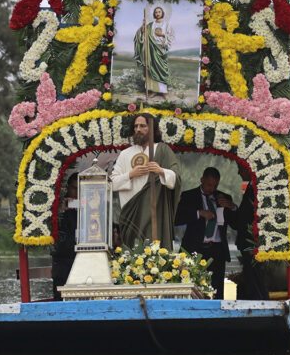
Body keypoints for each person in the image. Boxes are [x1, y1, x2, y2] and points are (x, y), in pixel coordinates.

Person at [111, 114, 181, 249]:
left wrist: (161, 171)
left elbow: (176, 177)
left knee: (155, 252)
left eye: (143, 126)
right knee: (133, 255)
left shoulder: (163, 150)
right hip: (132, 214)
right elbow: (112, 183)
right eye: (136, 126)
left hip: (156, 213)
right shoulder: (125, 154)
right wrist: (130, 175)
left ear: (152, 128)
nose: (138, 129)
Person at [175, 167, 238, 299]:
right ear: (202, 180)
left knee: (217, 289)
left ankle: (218, 315)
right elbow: (177, 218)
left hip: (217, 250)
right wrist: (199, 213)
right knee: (193, 287)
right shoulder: (189, 196)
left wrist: (232, 207)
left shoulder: (224, 197)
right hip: (195, 248)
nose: (212, 189)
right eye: (209, 185)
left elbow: (236, 224)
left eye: (215, 185)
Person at [231, 164, 268, 300]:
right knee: (251, 276)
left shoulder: (256, 187)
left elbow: (247, 216)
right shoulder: (252, 186)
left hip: (252, 242)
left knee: (255, 277)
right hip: (247, 241)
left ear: (248, 170)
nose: (238, 173)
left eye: (240, 170)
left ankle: (261, 303)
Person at [134, 5, 173, 100]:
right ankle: (154, 91)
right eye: (156, 12)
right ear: (154, 14)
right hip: (151, 50)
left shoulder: (167, 25)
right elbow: (143, 35)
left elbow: (171, 37)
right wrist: (143, 27)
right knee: (151, 70)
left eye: (159, 12)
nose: (157, 13)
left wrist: (163, 35)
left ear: (162, 13)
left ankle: (164, 92)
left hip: (161, 50)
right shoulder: (150, 25)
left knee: (162, 70)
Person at [51, 174, 78, 300]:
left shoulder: (91, 206)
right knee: (60, 295)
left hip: (82, 256)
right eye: (74, 188)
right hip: (63, 259)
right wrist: (61, 210)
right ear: (68, 188)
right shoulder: (59, 205)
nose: (77, 193)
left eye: (81, 189)